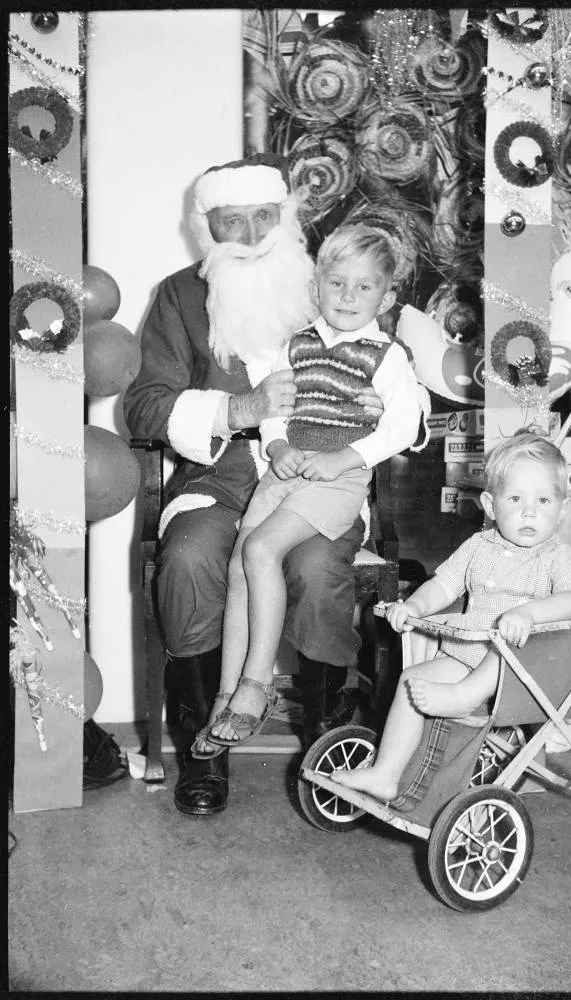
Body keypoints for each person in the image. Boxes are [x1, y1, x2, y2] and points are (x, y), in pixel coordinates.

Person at [123, 153, 394, 816]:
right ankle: (202, 748)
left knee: (313, 564)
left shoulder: (326, 284)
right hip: (220, 475)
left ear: (287, 218)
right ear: (205, 227)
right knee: (188, 559)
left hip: (314, 482)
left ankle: (328, 741)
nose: (246, 235)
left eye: (261, 218)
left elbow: (389, 370)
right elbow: (143, 407)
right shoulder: (179, 297)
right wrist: (236, 411)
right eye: (229, 221)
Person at [190, 224, 424, 753]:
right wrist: (275, 448)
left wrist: (345, 455)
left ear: (386, 296)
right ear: (317, 287)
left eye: (364, 287)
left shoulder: (387, 357)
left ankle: (257, 686)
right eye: (336, 283)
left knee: (261, 547)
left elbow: (402, 427)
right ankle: (227, 695)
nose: (347, 296)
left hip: (337, 479)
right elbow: (277, 412)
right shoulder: (295, 345)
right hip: (284, 472)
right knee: (239, 569)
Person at [332, 432, 571, 803]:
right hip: (467, 653)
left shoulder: (554, 556)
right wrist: (415, 607)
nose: (529, 511)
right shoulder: (478, 546)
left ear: (562, 509)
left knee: (505, 644)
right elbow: (444, 585)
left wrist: (529, 613)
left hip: (523, 666)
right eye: (515, 499)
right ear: (491, 505)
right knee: (410, 680)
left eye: (544, 500)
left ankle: (464, 697)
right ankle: (386, 774)